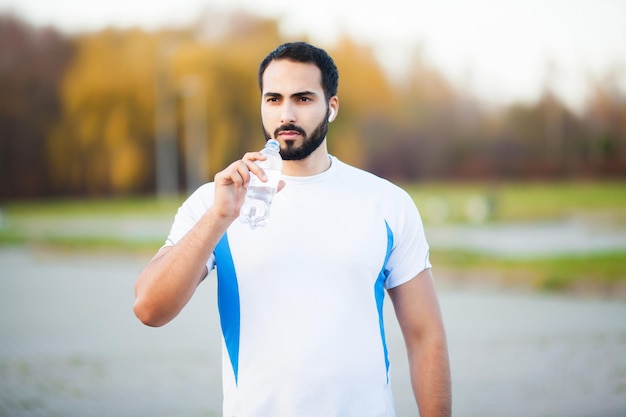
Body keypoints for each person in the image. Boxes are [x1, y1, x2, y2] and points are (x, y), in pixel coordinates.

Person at [134, 41, 451, 417]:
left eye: (302, 99)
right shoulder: (214, 201)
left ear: (331, 107)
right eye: (273, 99)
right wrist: (219, 219)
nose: (286, 114)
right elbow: (150, 309)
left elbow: (425, 337)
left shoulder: (387, 203)